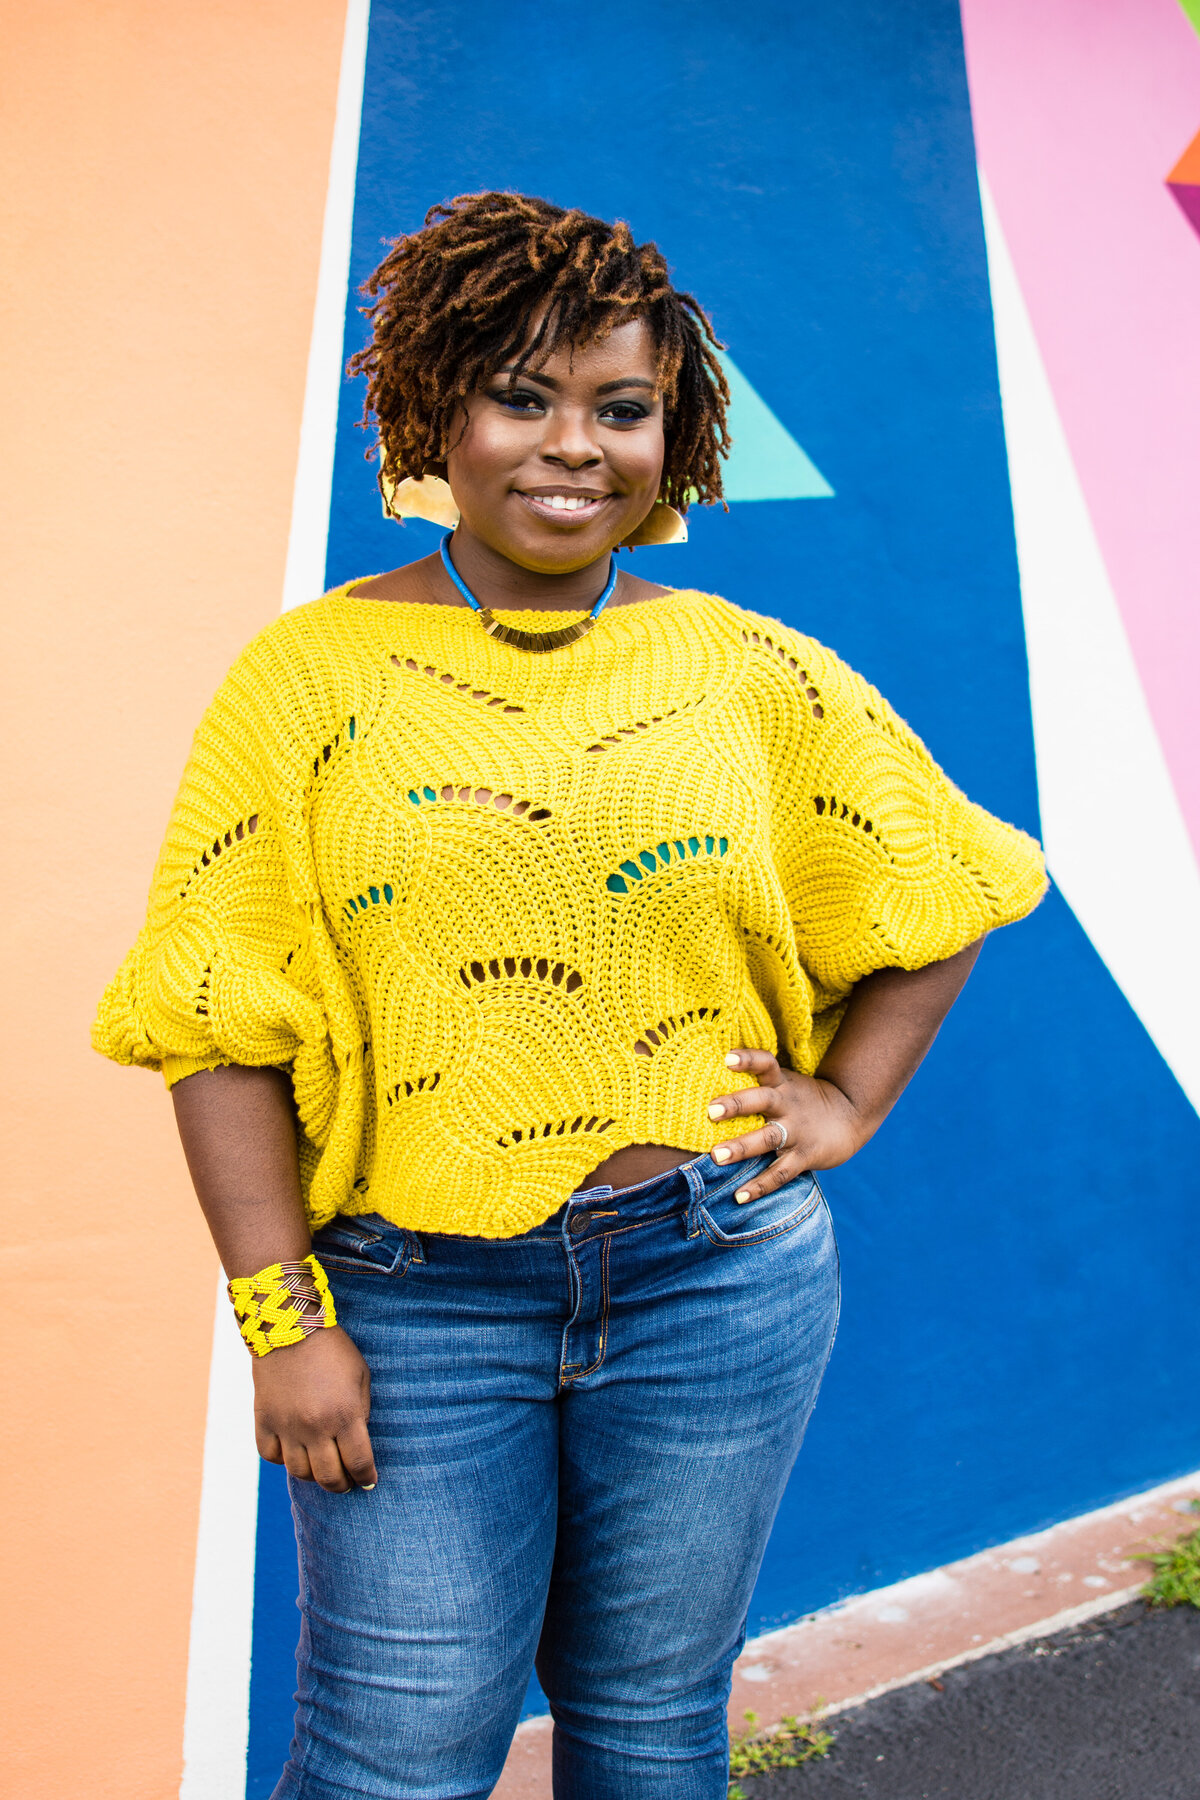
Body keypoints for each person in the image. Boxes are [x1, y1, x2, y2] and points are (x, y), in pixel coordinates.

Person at [94, 191, 1047, 1800]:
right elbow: (211, 1022)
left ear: (673, 438)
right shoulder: (303, 685)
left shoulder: (749, 670)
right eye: (521, 396)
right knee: (397, 1750)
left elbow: (944, 880)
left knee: (653, 1719)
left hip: (716, 1276)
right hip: (408, 1304)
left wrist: (848, 1101)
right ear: (435, 414)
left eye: (622, 408)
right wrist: (282, 1323)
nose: (573, 447)